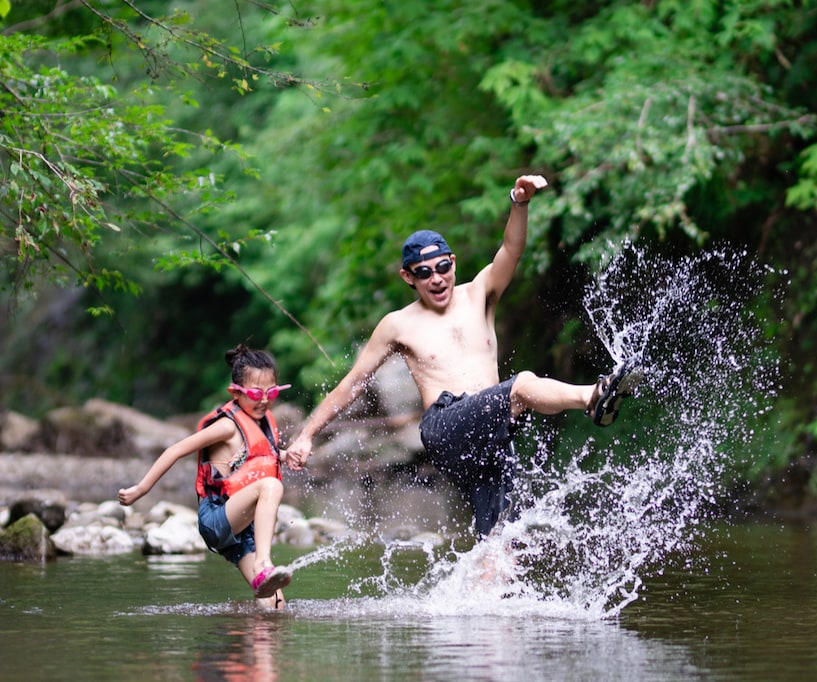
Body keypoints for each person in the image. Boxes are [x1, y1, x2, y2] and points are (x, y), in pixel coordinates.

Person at [284, 175, 641, 540]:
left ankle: (479, 593)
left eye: (443, 267)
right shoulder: (397, 325)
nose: (436, 278)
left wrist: (520, 203)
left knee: (500, 538)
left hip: (493, 432)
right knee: (521, 387)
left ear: (453, 263)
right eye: (424, 273)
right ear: (408, 277)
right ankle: (592, 399)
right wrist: (307, 435)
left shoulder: (480, 293)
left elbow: (511, 250)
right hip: (446, 427)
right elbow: (352, 384)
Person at [119, 345, 293, 608]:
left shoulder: (263, 423)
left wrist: (285, 454)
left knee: (276, 603)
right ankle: (263, 562)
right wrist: (141, 489)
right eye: (256, 393)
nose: (264, 399)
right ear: (235, 392)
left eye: (272, 392)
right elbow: (176, 450)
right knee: (271, 485)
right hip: (217, 517)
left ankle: (257, 644)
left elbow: (254, 462)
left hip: (241, 529)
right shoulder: (226, 426)